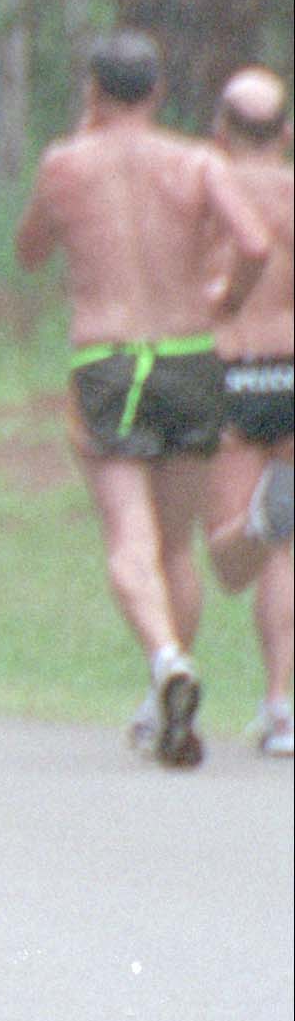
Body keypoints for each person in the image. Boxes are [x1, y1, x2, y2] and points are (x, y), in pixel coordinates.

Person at [12, 30, 274, 767]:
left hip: (108, 357)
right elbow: (254, 243)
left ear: (93, 91)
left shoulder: (66, 163)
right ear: (158, 92)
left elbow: (30, 251)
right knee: (175, 545)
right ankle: (170, 702)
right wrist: (225, 300)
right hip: (192, 355)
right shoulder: (196, 160)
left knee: (127, 533)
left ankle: (165, 663)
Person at [201, 66, 294, 756]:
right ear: (287, 133)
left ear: (221, 130)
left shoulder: (209, 195)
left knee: (233, 558)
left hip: (234, 368)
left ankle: (264, 517)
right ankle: (279, 704)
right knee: (287, 554)